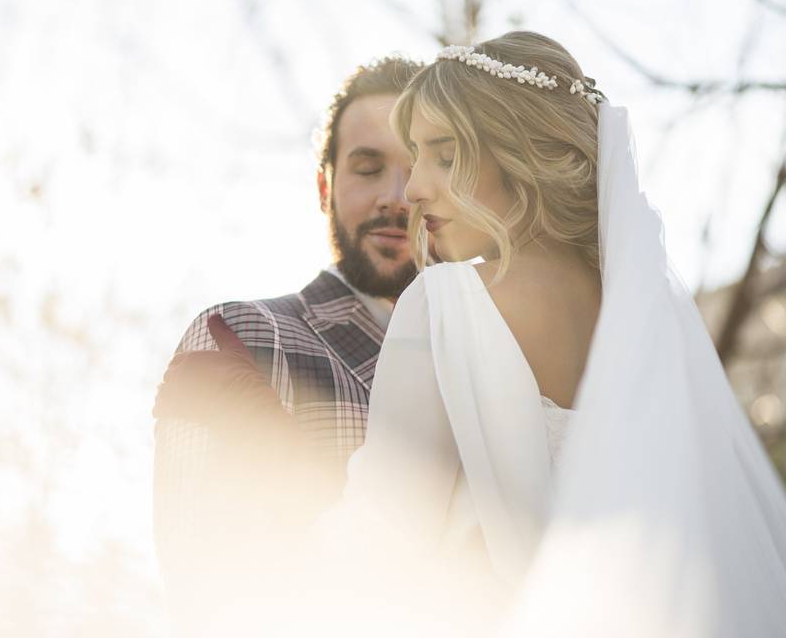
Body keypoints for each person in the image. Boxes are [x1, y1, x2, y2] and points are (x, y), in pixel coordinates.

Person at [157, 31, 786, 637]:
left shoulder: (448, 302)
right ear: (324, 186)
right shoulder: (645, 319)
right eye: (374, 166)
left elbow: (386, 535)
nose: (413, 190)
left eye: (445, 156)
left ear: (520, 158)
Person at [151, 56, 423, 637]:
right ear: (324, 187)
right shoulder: (239, 337)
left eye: (419, 168)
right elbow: (205, 586)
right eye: (368, 168)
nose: (396, 198)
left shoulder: (504, 364)